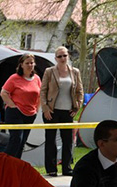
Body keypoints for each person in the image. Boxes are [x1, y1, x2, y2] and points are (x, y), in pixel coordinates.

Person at [40, 46, 84, 177]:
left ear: (68, 56)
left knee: (68, 141)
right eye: (59, 56)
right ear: (55, 58)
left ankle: (66, 167)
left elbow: (80, 91)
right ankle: (51, 168)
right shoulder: (49, 71)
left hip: (67, 111)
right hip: (51, 111)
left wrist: (77, 106)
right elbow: (43, 91)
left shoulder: (75, 72)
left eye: (64, 55)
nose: (62, 58)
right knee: (50, 140)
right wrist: (45, 108)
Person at [0, 54, 41, 159]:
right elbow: (3, 93)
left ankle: (16, 165)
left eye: (31, 63)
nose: (29, 65)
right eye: (27, 63)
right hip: (15, 113)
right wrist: (12, 106)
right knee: (16, 139)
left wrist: (37, 109)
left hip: (30, 114)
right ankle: (4, 163)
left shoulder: (36, 78)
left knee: (22, 142)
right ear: (21, 65)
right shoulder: (14, 78)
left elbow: (40, 95)